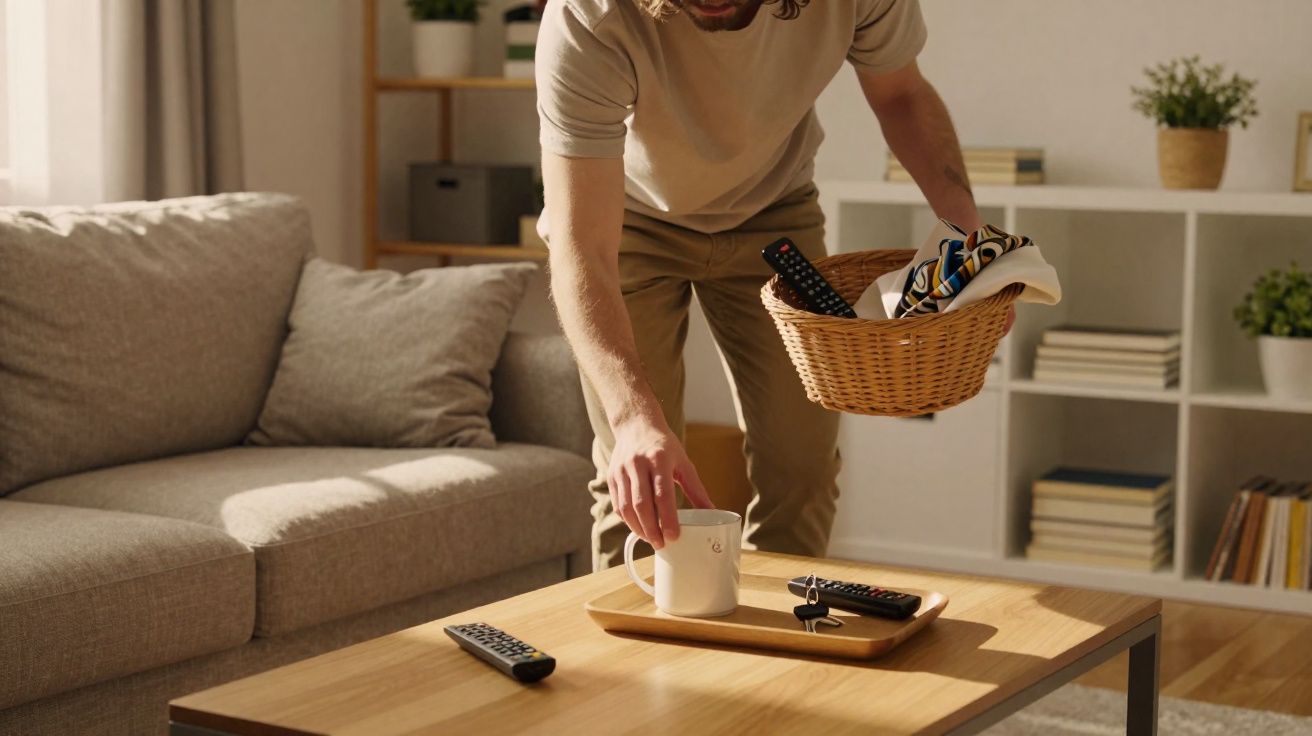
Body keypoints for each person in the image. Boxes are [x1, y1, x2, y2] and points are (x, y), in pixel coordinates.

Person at [536, 0, 983, 570]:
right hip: (627, 221)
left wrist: (969, 236)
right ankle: (631, 657)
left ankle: (781, 646)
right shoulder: (588, 16)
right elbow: (584, 251)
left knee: (804, 468)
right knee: (642, 474)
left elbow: (901, 94)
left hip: (775, 213)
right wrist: (631, 422)